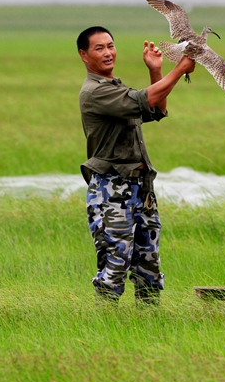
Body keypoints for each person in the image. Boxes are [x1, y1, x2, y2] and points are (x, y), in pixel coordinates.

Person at [77, 26, 195, 304]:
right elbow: (146, 99)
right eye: (99, 48)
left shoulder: (115, 87)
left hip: (141, 189)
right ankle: (105, 329)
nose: (108, 53)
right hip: (111, 191)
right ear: (84, 55)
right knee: (114, 266)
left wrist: (157, 70)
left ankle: (148, 328)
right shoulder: (94, 92)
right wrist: (180, 69)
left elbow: (155, 110)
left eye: (110, 46)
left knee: (149, 268)